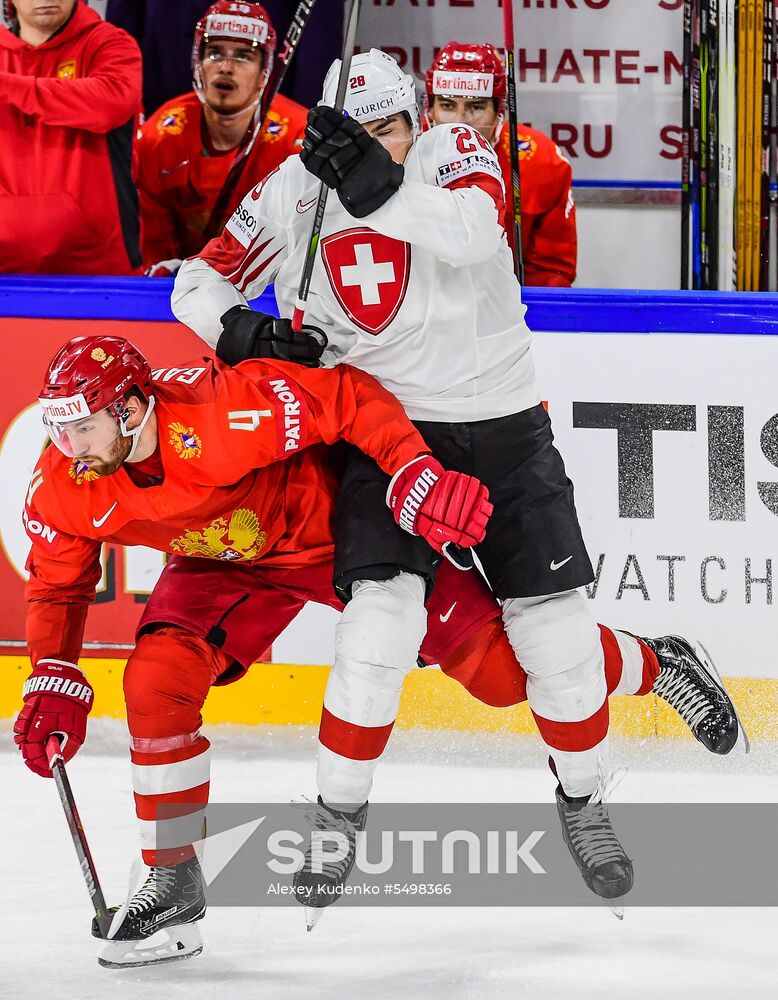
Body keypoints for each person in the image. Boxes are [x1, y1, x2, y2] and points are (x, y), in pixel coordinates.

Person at [171, 49, 743, 916]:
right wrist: (243, 331)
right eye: (359, 134)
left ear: (418, 119)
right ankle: (336, 816)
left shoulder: (453, 156)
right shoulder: (294, 186)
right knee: (377, 627)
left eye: (392, 127)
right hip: (385, 434)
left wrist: (376, 181)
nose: (380, 144)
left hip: (506, 427)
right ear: (328, 131)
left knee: (557, 647)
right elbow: (194, 283)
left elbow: (473, 231)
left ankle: (583, 797)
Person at [15, 333, 495, 966]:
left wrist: (413, 468)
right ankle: (172, 880)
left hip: (336, 539)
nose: (69, 448)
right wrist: (52, 671)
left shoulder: (223, 409)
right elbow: (57, 584)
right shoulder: (64, 479)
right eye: (59, 429)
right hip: (224, 564)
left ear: (131, 410)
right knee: (156, 678)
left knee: (504, 675)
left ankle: (656, 663)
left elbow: (348, 396)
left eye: (82, 427)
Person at [134, 1, 307, 274]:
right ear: (197, 63)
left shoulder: (297, 139)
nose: (226, 67)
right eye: (214, 53)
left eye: (243, 56)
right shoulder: (161, 136)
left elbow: (305, 244)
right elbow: (154, 244)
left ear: (265, 73)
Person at [0, 0, 142, 275]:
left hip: (101, 270)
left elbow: (109, 105)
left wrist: (7, 86)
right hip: (4, 270)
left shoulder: (112, 43)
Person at [425, 41, 576, 288]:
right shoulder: (402, 153)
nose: (461, 122)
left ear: (499, 112)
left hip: (507, 309)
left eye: (476, 106)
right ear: (430, 109)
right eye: (448, 105)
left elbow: (551, 272)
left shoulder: (541, 160)